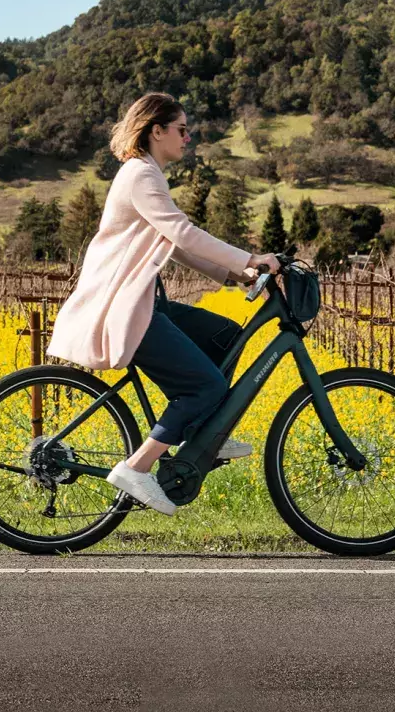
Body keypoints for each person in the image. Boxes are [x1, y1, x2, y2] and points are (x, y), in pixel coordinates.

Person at [43, 92, 281, 515]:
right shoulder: (141, 175)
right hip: (127, 305)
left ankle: (202, 430)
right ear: (157, 130)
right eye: (182, 129)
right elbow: (185, 234)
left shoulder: (146, 173)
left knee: (227, 337)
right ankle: (137, 468)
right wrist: (250, 258)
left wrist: (236, 275)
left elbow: (176, 244)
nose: (188, 138)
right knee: (206, 385)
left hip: (144, 300)